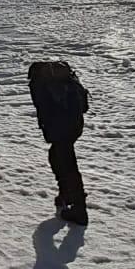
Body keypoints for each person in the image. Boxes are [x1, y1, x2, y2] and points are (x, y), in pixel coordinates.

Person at [28, 61, 90, 226]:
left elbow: (44, 108)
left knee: (67, 163)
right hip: (74, 124)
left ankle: (79, 209)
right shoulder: (61, 80)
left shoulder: (41, 83)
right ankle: (66, 194)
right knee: (56, 156)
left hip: (61, 127)